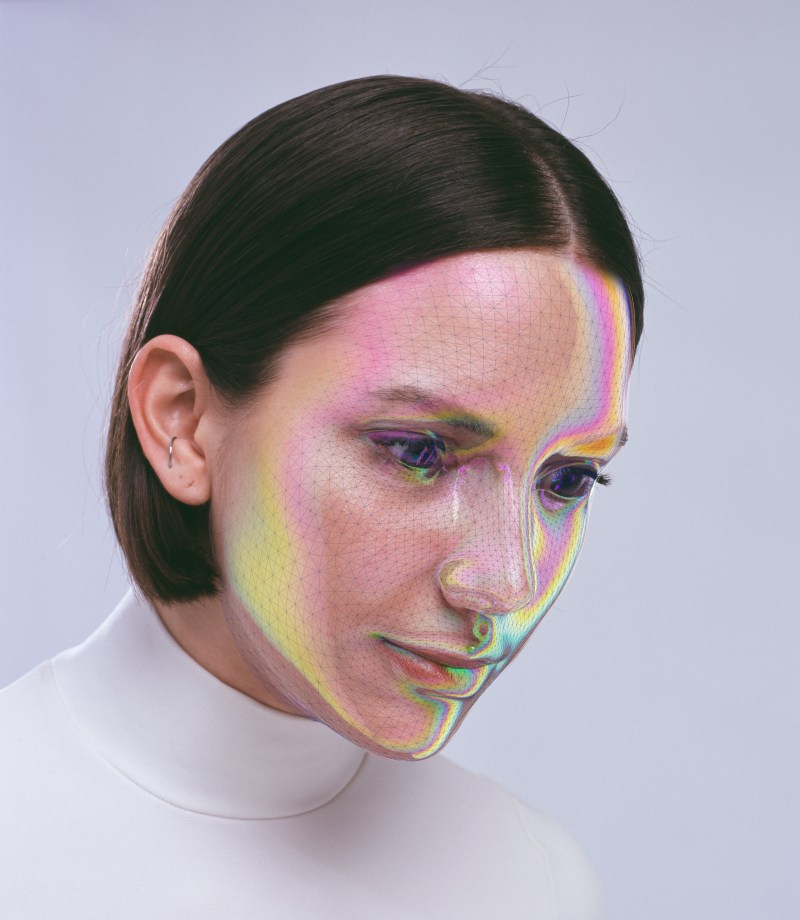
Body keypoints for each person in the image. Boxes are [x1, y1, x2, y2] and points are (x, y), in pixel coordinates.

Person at [0, 75, 643, 918]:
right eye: (418, 452)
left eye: (566, 480)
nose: (505, 584)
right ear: (182, 420)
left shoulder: (533, 884)